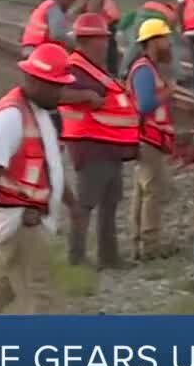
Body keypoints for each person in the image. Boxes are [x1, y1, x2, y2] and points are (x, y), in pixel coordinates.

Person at [0, 43, 86, 314]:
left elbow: (49, 166)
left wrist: (71, 203)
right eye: (55, 87)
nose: (60, 93)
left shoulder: (39, 112)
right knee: (42, 299)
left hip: (26, 221)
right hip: (20, 224)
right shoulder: (11, 116)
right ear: (34, 81)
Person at [59, 14, 139, 270]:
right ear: (84, 40)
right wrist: (86, 96)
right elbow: (59, 94)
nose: (105, 44)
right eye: (99, 39)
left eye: (105, 39)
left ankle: (109, 256)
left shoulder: (94, 67)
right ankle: (77, 258)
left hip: (110, 145)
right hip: (91, 145)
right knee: (86, 203)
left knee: (110, 203)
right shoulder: (75, 67)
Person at [127, 19, 179, 260]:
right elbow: (145, 104)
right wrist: (167, 92)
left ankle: (139, 242)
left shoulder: (148, 68)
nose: (169, 44)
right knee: (153, 191)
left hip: (149, 138)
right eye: (165, 39)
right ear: (154, 42)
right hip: (148, 139)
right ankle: (150, 246)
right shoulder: (144, 70)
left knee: (143, 190)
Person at [70, 0, 123, 74]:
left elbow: (92, 13)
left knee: (106, 48)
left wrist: (77, 17)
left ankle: (111, 74)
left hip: (108, 20)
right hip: (105, 20)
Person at [20, 0, 89, 57]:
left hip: (33, 47)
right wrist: (79, 46)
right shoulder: (54, 8)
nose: (72, 4)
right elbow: (57, 34)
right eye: (72, 0)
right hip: (38, 49)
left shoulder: (48, 5)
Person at [119, 0, 179, 81]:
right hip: (154, 22)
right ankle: (178, 75)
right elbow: (171, 30)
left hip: (142, 17)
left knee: (135, 45)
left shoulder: (154, 5)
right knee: (169, 47)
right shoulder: (171, 14)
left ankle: (123, 70)